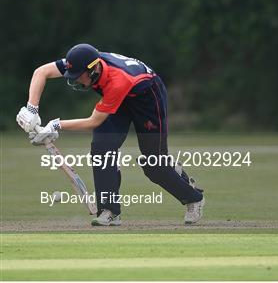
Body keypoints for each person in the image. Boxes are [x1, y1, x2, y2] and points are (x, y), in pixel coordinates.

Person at [16, 43, 205, 226]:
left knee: (154, 164)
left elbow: (93, 121)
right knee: (102, 149)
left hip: (148, 99)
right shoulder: (83, 60)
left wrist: (55, 125)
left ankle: (193, 197)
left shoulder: (117, 80)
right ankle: (109, 211)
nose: (74, 79)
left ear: (93, 70)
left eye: (78, 76)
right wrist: (32, 109)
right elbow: (41, 72)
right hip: (120, 101)